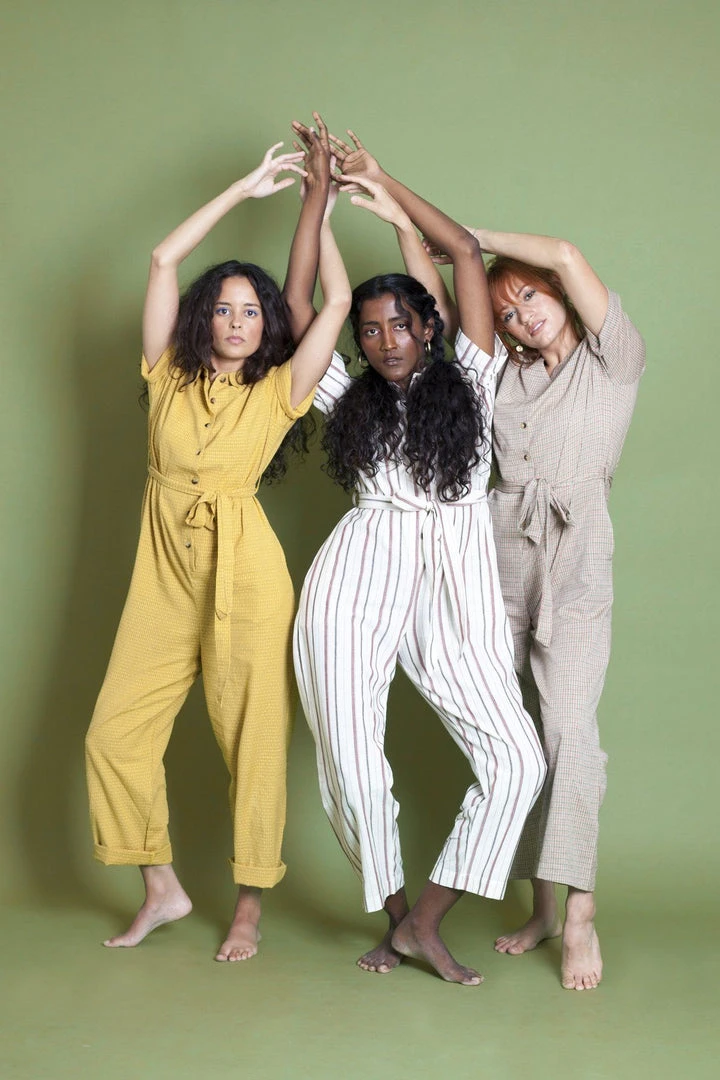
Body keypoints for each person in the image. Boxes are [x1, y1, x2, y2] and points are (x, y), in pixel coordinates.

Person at [288, 121, 546, 986]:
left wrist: (383, 180)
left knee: (517, 760)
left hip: (456, 580)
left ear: (429, 327)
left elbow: (465, 253)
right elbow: (299, 312)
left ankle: (426, 921)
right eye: (369, 330)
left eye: (402, 323)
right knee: (353, 761)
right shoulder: (346, 395)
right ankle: (398, 921)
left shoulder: (471, 377)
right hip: (358, 573)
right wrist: (317, 199)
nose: (387, 340)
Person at [85, 139, 351, 960]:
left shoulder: (280, 390)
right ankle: (161, 888)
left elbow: (338, 302)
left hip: (247, 574)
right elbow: (164, 258)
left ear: (268, 326)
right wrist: (243, 189)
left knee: (254, 741)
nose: (238, 323)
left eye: (252, 312)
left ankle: (249, 905)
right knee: (115, 735)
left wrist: (319, 208)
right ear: (204, 317)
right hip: (164, 572)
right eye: (226, 309)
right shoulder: (165, 373)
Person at [424, 223, 645, 989]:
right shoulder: (505, 375)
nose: (522, 317)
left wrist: (470, 238)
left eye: (529, 297)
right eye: (507, 313)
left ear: (557, 291)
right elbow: (446, 308)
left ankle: (580, 911)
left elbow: (567, 253)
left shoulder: (613, 358)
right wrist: (400, 219)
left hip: (576, 555)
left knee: (569, 732)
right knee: (518, 739)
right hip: (498, 552)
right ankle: (543, 905)